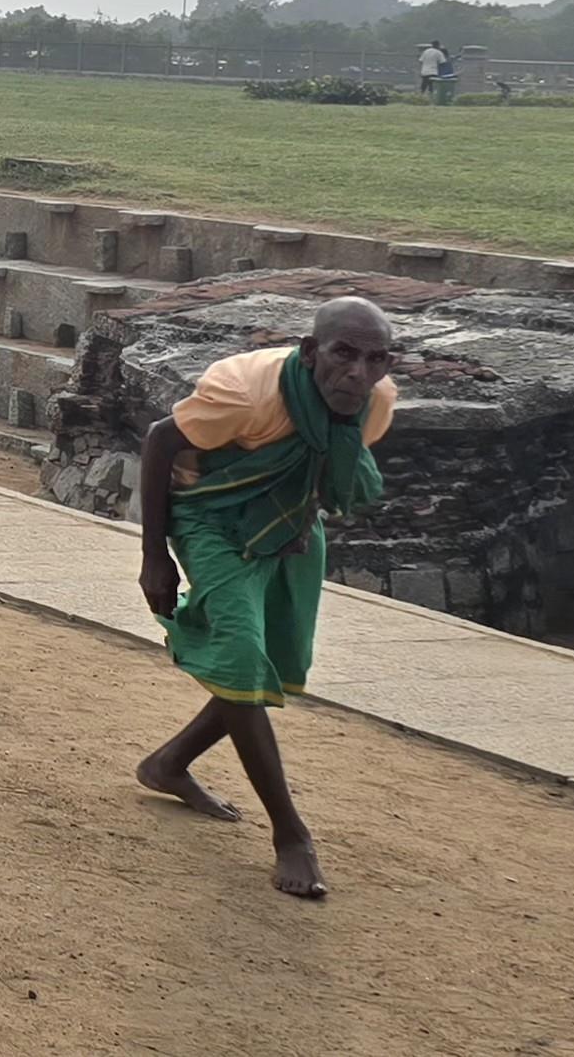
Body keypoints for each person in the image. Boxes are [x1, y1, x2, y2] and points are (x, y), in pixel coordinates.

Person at [137, 296, 397, 899]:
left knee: (272, 661)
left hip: (291, 517)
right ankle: (291, 834)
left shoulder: (376, 401)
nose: (357, 373)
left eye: (375, 359)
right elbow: (159, 442)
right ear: (309, 352)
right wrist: (155, 557)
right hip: (209, 514)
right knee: (240, 657)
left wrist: (299, 521)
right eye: (343, 354)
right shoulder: (245, 394)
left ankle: (168, 763)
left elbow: (322, 462)